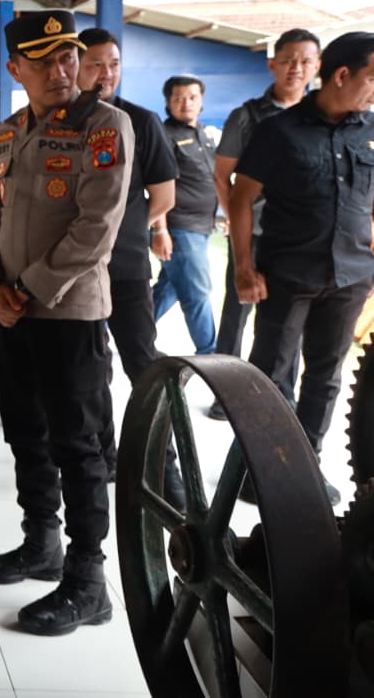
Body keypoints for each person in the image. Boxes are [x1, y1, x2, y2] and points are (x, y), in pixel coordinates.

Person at [0, 12, 132, 636]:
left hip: (69, 313)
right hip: (12, 313)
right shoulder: (10, 133)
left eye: (67, 56)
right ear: (15, 69)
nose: (60, 70)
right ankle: (41, 542)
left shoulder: (104, 126)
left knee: (79, 446)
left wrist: (27, 287)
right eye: (42, 61)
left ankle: (88, 581)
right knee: (26, 433)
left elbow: (97, 227)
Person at [230, 31, 374, 506]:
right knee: (270, 376)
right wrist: (244, 267)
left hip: (351, 277)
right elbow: (242, 198)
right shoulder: (279, 131)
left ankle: (304, 470)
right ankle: (260, 470)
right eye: (373, 78)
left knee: (326, 377)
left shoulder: (371, 130)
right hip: (287, 275)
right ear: (342, 75)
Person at [76, 28, 182, 503]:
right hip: (75, 272)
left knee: (144, 364)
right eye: (95, 64)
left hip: (126, 267)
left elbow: (163, 197)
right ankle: (104, 453)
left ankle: (165, 465)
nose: (107, 73)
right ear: (75, 68)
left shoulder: (141, 121)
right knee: (89, 367)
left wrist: (127, 224)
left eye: (114, 63)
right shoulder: (64, 123)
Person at [209, 28, 320, 420]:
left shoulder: (321, 119)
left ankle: (280, 399)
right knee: (237, 314)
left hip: (298, 241)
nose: (296, 68)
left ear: (318, 67)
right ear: (272, 63)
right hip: (253, 233)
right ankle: (225, 394)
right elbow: (222, 176)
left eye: (305, 61)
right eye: (288, 60)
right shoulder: (248, 116)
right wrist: (235, 219)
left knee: (288, 325)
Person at [153, 75, 218, 355]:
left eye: (192, 97)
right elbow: (156, 184)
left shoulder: (205, 134)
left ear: (201, 102)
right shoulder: (164, 135)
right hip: (180, 227)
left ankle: (123, 331)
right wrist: (160, 230)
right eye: (178, 98)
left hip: (203, 226)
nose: (186, 103)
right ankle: (210, 353)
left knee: (169, 288)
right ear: (168, 103)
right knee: (197, 293)